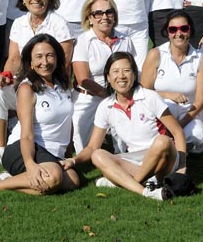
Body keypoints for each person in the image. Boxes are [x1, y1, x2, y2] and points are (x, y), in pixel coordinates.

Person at [0, 34, 80, 195]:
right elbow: (27, 134)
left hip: (52, 154)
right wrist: (30, 164)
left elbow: (66, 122)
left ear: (57, 58)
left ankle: (11, 178)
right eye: (39, 57)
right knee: (53, 178)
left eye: (50, 55)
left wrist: (68, 155)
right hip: (23, 149)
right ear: (31, 62)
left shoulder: (63, 85)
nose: (45, 62)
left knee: (73, 180)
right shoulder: (27, 88)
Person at [65, 52, 187, 201]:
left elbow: (177, 132)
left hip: (164, 160)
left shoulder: (150, 97)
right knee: (98, 155)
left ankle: (125, 182)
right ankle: (145, 190)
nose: (121, 76)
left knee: (163, 141)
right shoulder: (105, 106)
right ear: (108, 78)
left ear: (134, 75)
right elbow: (92, 148)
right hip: (134, 162)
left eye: (127, 71)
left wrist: (182, 168)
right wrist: (73, 160)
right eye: (115, 71)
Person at [0, 0, 73, 169]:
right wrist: (6, 76)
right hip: (22, 85)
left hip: (49, 87)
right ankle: (0, 150)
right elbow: (14, 58)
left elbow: (63, 63)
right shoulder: (18, 23)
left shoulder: (59, 24)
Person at [72, 0, 136, 153]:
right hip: (89, 98)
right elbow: (82, 79)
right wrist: (107, 95)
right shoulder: (83, 41)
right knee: (83, 150)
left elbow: (133, 71)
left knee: (124, 150)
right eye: (98, 13)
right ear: (90, 18)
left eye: (109, 12)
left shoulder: (125, 40)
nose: (105, 17)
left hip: (119, 97)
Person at [141, 10, 203, 153]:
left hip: (187, 113)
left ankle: (175, 146)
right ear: (167, 32)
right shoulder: (155, 54)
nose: (178, 33)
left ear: (190, 30)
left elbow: (200, 101)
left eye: (183, 28)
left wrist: (179, 125)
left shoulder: (201, 59)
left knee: (199, 135)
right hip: (161, 111)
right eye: (173, 29)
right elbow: (143, 91)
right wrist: (167, 94)